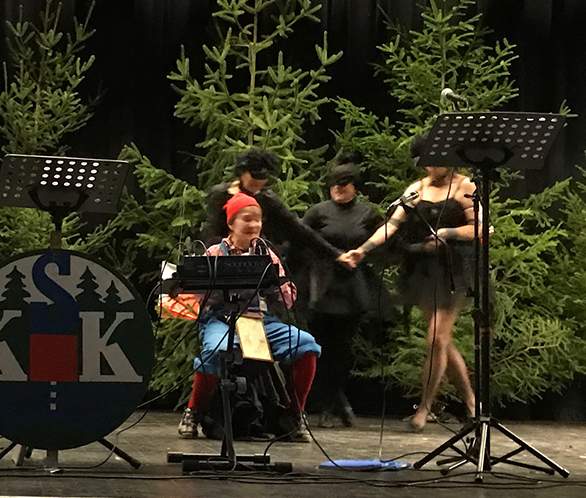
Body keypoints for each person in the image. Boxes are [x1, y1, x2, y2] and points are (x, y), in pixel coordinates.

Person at [338, 140, 478, 432]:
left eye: (436, 160)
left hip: (453, 269)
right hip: (424, 271)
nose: (431, 167)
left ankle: (424, 407)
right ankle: (471, 402)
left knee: (436, 339)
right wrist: (363, 249)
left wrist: (449, 232)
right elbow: (392, 224)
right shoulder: (417, 189)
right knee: (442, 340)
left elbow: (479, 227)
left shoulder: (465, 186)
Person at [177, 193, 320, 443]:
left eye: (258, 219)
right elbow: (195, 296)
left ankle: (293, 415)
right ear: (231, 223)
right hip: (222, 319)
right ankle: (193, 412)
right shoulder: (214, 253)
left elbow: (287, 300)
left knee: (306, 345)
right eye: (246, 219)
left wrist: (279, 283)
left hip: (260, 320)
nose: (253, 224)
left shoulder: (268, 254)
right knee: (215, 350)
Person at [300, 160, 387, 427]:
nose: (339, 189)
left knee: (344, 349)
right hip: (323, 286)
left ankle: (337, 399)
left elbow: (385, 237)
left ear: (354, 186)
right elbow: (302, 239)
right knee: (320, 346)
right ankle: (330, 405)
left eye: (344, 184)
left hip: (352, 287)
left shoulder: (367, 213)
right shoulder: (318, 212)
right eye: (334, 185)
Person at [201, 148, 340, 262]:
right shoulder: (221, 195)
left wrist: (336, 254)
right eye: (254, 176)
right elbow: (211, 231)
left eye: (263, 178)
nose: (258, 182)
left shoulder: (268, 199)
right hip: (222, 258)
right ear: (243, 173)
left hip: (258, 259)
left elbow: (298, 229)